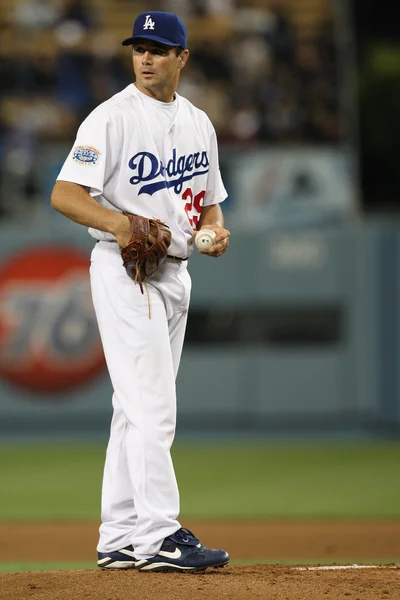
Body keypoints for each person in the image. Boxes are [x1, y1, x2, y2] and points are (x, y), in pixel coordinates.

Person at [50, 11, 230, 573]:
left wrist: (217, 231)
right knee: (153, 404)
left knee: (134, 409)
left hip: (175, 272)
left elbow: (210, 201)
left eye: (158, 48)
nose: (146, 56)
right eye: (139, 47)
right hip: (126, 270)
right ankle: (160, 535)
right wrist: (123, 225)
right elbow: (64, 194)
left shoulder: (199, 122)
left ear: (182, 58)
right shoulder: (111, 118)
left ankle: (121, 534)